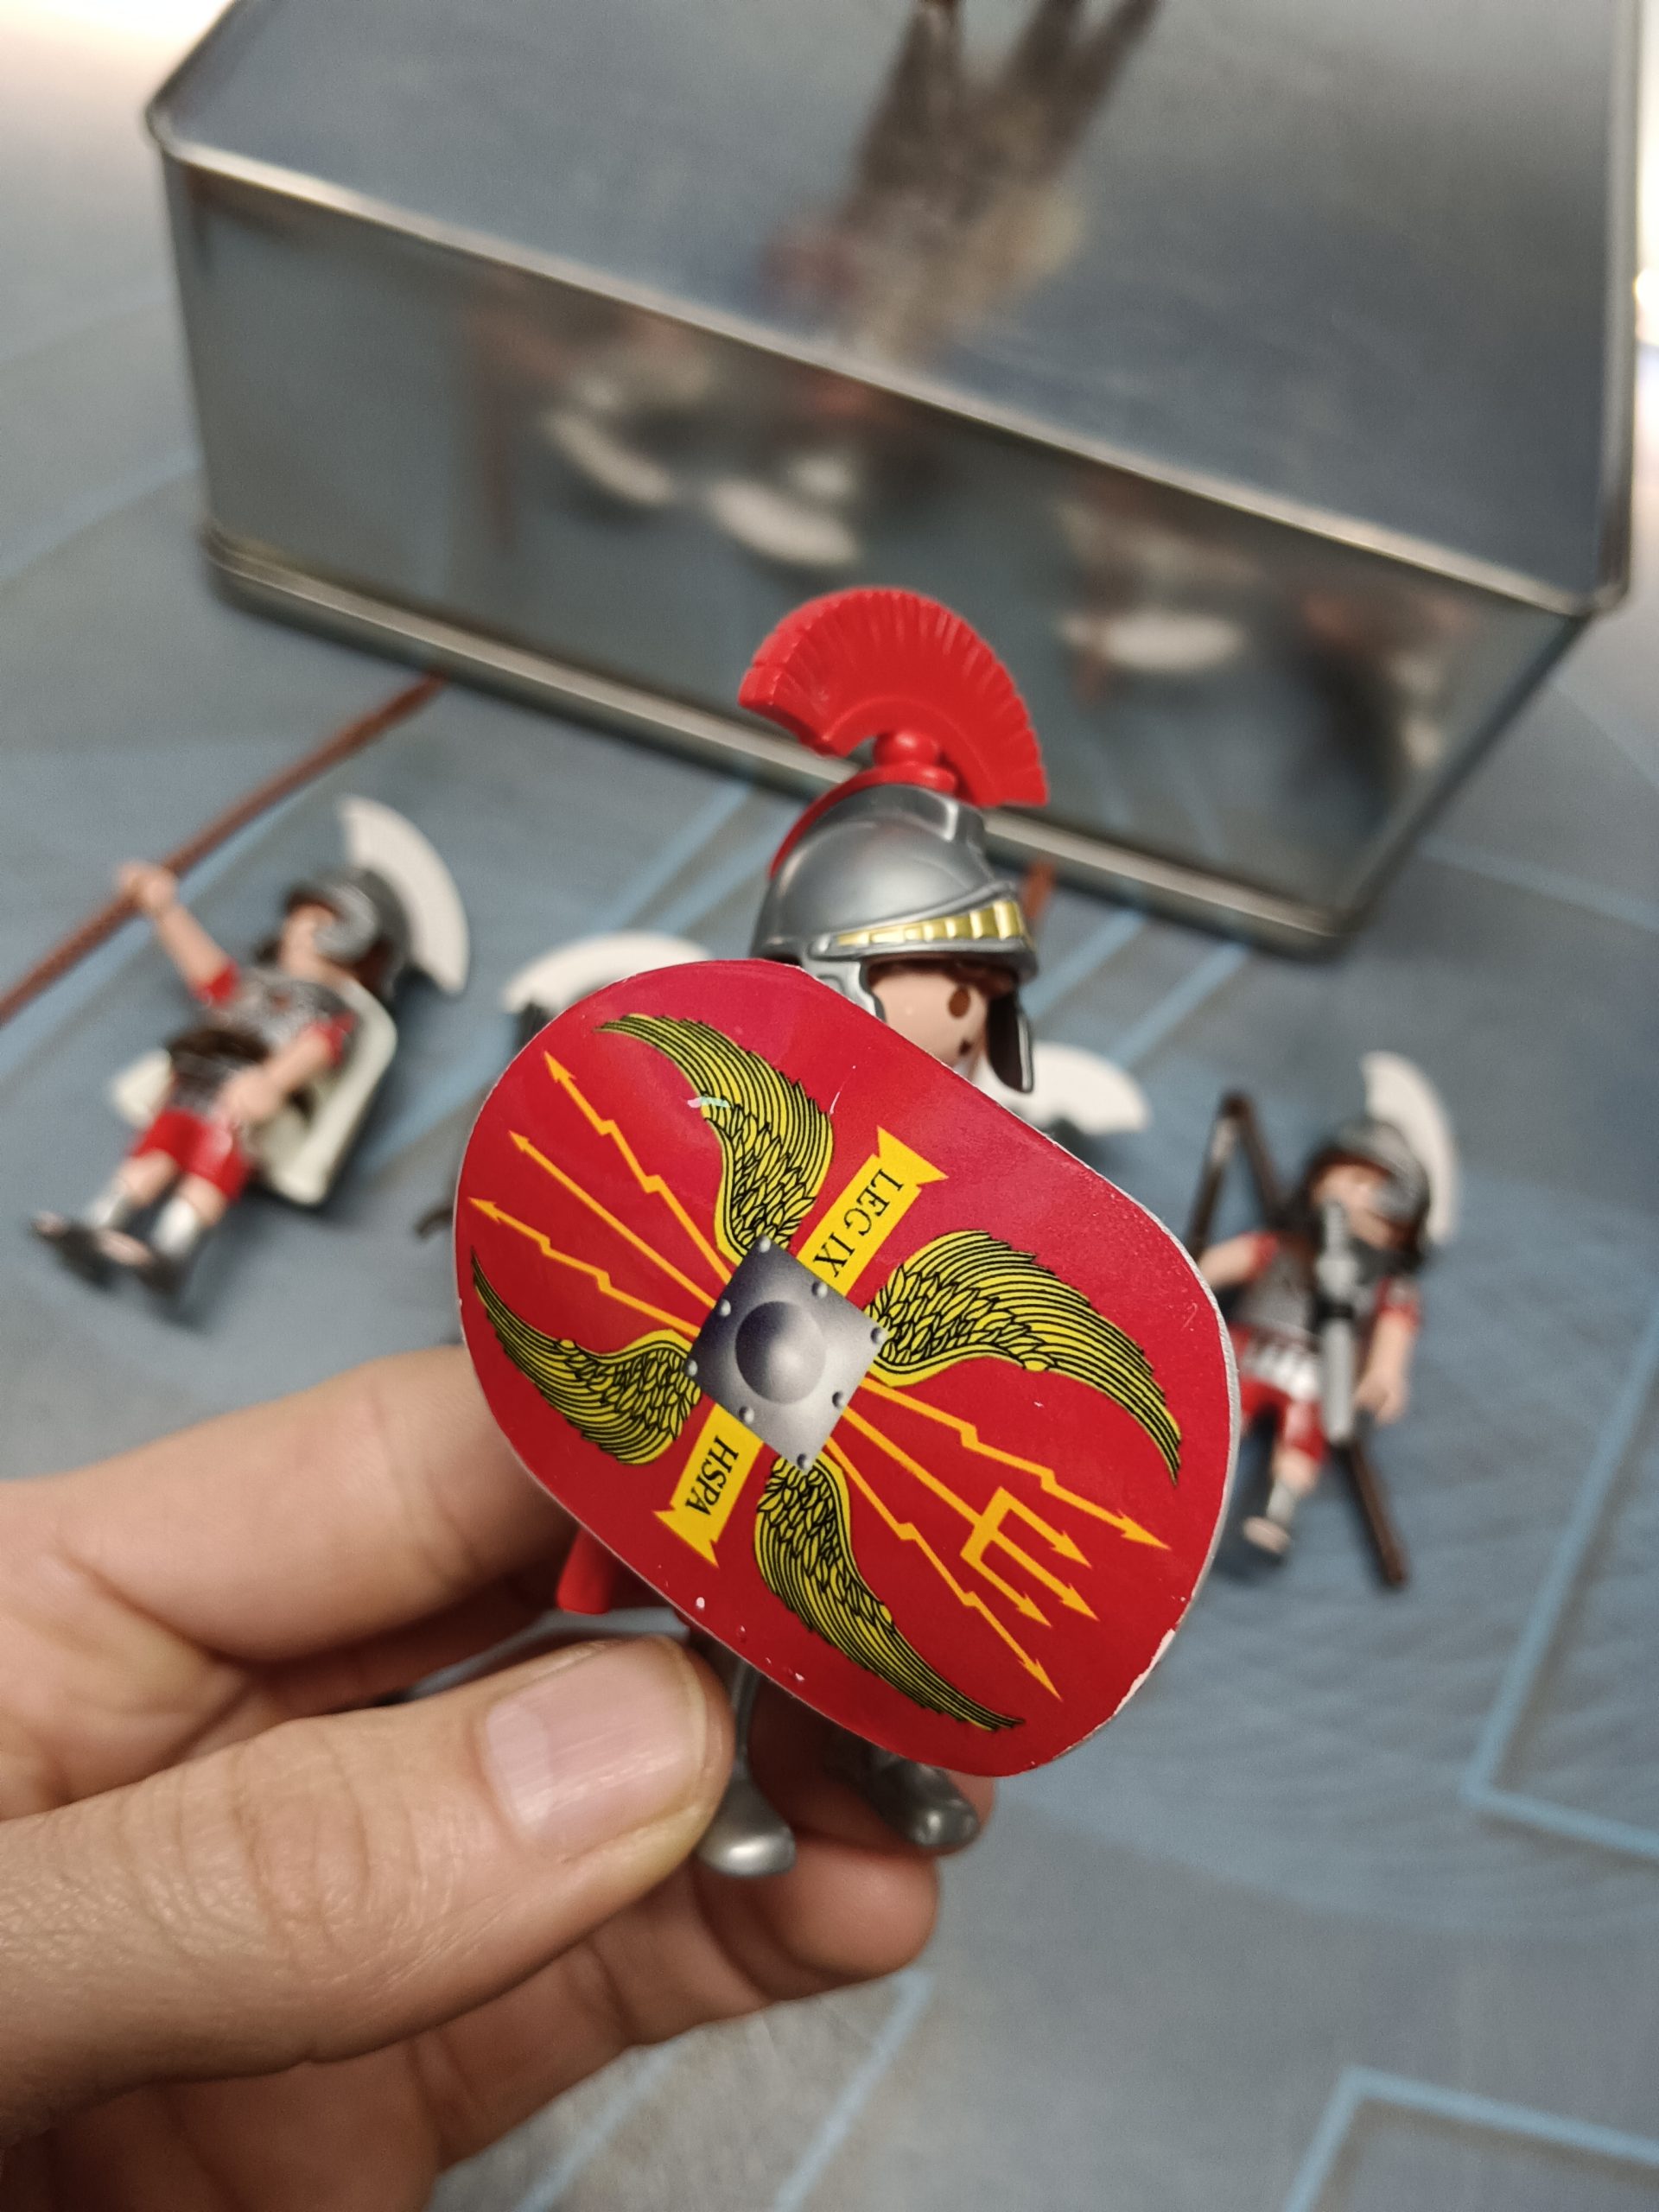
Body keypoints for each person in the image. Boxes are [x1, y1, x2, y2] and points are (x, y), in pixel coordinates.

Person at [0, 1346, 988, 2202]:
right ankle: (746, 1764)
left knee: (874, 1581)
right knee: (748, 1601)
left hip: (865, 1412)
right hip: (745, 1406)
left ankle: (871, 1748)